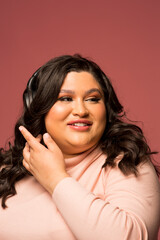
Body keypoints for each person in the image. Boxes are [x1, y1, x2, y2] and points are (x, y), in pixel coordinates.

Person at [0, 54, 160, 240]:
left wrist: (56, 179)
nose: (81, 110)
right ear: (37, 106)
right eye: (66, 99)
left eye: (92, 99)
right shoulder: (7, 169)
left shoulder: (127, 163)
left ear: (106, 110)